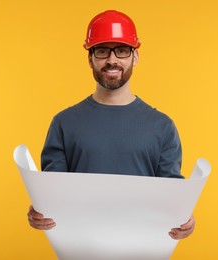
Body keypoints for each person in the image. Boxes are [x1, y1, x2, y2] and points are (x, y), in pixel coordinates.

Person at [27, 10, 195, 240]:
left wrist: (184, 219)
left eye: (122, 50)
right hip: (78, 250)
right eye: (102, 51)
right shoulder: (63, 123)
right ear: (90, 58)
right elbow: (52, 197)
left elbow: (172, 200)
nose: (112, 60)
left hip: (143, 251)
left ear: (135, 57)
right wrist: (40, 211)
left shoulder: (162, 127)